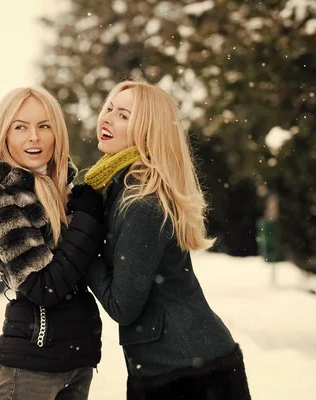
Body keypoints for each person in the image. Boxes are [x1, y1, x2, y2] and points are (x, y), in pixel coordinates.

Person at [83, 81, 252, 400]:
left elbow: (123, 306)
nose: (107, 118)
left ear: (147, 131)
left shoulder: (142, 203)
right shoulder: (118, 188)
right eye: (108, 108)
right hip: (174, 367)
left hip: (189, 377)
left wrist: (80, 244)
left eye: (123, 115)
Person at [0, 87, 105, 400]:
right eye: (20, 127)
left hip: (77, 361)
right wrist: (87, 221)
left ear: (57, 133)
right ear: (4, 134)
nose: (33, 137)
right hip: (30, 369)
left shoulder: (61, 189)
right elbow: (42, 286)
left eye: (44, 126)